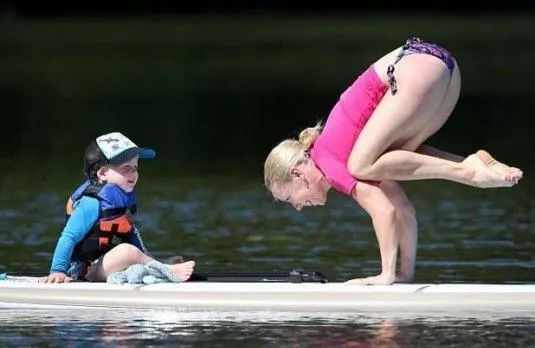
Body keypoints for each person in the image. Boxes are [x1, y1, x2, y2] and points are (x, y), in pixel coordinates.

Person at [263, 37, 523, 286]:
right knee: (389, 158)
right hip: (444, 71)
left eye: (289, 199)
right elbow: (402, 210)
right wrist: (404, 274)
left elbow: (383, 212)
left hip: (415, 69)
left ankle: (468, 171)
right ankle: (472, 163)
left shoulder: (328, 163)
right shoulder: (343, 154)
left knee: (361, 164)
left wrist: (385, 275)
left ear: (298, 174)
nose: (297, 207)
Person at [41, 132, 195, 283]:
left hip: (108, 263)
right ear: (102, 174)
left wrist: (155, 259)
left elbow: (135, 243)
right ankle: (166, 270)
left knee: (129, 251)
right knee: (127, 252)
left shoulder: (124, 202)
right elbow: (68, 237)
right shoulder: (91, 202)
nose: (133, 171)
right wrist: (58, 271)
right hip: (85, 269)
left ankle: (162, 266)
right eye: (125, 167)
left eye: (135, 166)